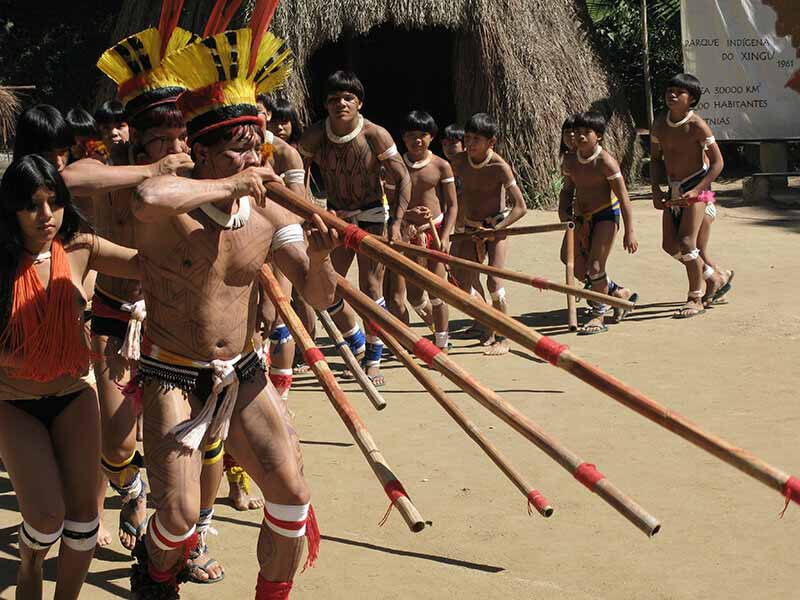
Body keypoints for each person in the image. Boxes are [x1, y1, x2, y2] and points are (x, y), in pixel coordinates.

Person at [128, 23, 337, 598]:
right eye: (238, 149)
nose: (253, 159)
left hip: (242, 371)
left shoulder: (270, 215)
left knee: (292, 495)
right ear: (199, 150)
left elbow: (319, 295)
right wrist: (232, 184)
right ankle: (155, 565)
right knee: (177, 517)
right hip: (173, 371)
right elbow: (147, 197)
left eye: (258, 147)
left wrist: (319, 258)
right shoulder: (173, 200)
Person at [89, 15, 231, 584]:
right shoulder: (110, 175)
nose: (175, 147)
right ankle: (134, 490)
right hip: (116, 315)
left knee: (206, 440)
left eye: (180, 137)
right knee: (119, 442)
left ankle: (191, 537)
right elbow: (72, 182)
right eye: (161, 139)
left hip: (178, 330)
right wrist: (150, 172)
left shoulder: (202, 178)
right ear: (139, 140)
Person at [0, 154, 140, 600]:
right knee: (44, 518)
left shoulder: (80, 247)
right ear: (11, 210)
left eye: (54, 202)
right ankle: (29, 564)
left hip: (74, 394)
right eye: (32, 205)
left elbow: (146, 264)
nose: (46, 216)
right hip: (11, 403)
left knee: (83, 522)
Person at [298, 70, 411, 386]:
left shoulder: (375, 134)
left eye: (347, 98)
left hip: (372, 216)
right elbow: (298, 173)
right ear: (325, 105)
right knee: (325, 286)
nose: (341, 104)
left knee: (371, 289)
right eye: (333, 99)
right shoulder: (315, 136)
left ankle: (373, 361)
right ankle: (358, 342)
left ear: (359, 102)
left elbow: (403, 177)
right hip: (334, 219)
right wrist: (310, 211)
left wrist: (397, 223)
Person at [650, 73, 733, 318]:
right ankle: (714, 277)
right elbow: (655, 160)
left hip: (700, 189)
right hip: (674, 190)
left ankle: (694, 297)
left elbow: (718, 163)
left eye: (680, 91)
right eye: (669, 90)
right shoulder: (659, 124)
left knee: (688, 243)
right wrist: (656, 189)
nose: (672, 94)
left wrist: (698, 189)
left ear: (692, 99)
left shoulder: (697, 125)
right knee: (670, 245)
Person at [450, 113, 527, 355]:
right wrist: (456, 227)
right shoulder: (459, 162)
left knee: (493, 281)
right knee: (462, 281)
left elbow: (520, 207)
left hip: (495, 229)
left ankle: (502, 336)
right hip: (469, 228)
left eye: (477, 139)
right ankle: (487, 321)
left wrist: (495, 229)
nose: (470, 143)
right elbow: (453, 197)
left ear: (491, 142)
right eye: (468, 138)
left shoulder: (499, 167)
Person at [560, 111, 639, 335]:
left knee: (595, 267)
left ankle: (598, 314)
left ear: (599, 137)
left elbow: (624, 198)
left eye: (587, 133)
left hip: (606, 215)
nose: (581, 137)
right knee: (572, 262)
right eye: (578, 132)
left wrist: (629, 231)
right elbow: (567, 190)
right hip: (580, 219)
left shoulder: (606, 162)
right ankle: (617, 293)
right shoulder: (570, 160)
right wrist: (563, 212)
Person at [387, 110, 457, 351]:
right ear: (403, 138)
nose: (417, 140)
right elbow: (389, 200)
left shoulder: (441, 166)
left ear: (432, 137)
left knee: (437, 291)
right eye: (411, 135)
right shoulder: (394, 166)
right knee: (414, 295)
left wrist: (446, 235)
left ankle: (442, 343)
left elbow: (452, 205)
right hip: (405, 234)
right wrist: (407, 217)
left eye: (423, 135)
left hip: (434, 231)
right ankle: (423, 333)